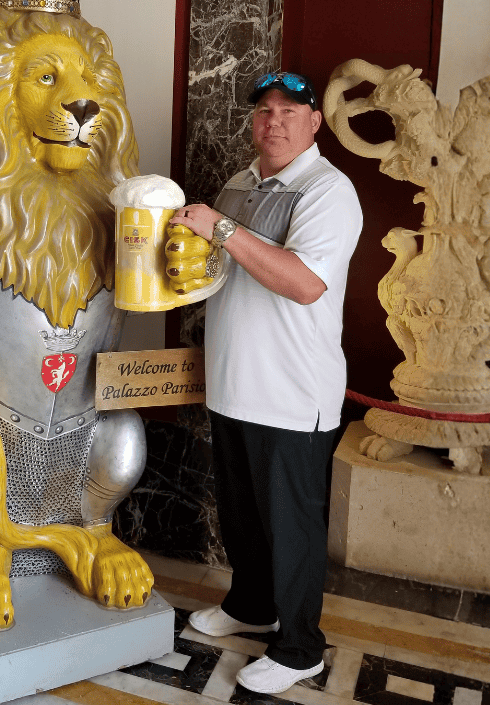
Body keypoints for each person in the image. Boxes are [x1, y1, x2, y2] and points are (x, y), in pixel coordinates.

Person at [168, 71, 363, 695]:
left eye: (288, 110)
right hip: (232, 384)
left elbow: (304, 283)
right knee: (243, 516)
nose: (272, 121)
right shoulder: (239, 184)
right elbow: (216, 267)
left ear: (314, 122)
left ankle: (300, 646)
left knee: (292, 527)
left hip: (292, 393)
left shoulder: (328, 192)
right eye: (263, 110)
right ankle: (251, 605)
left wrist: (220, 229)